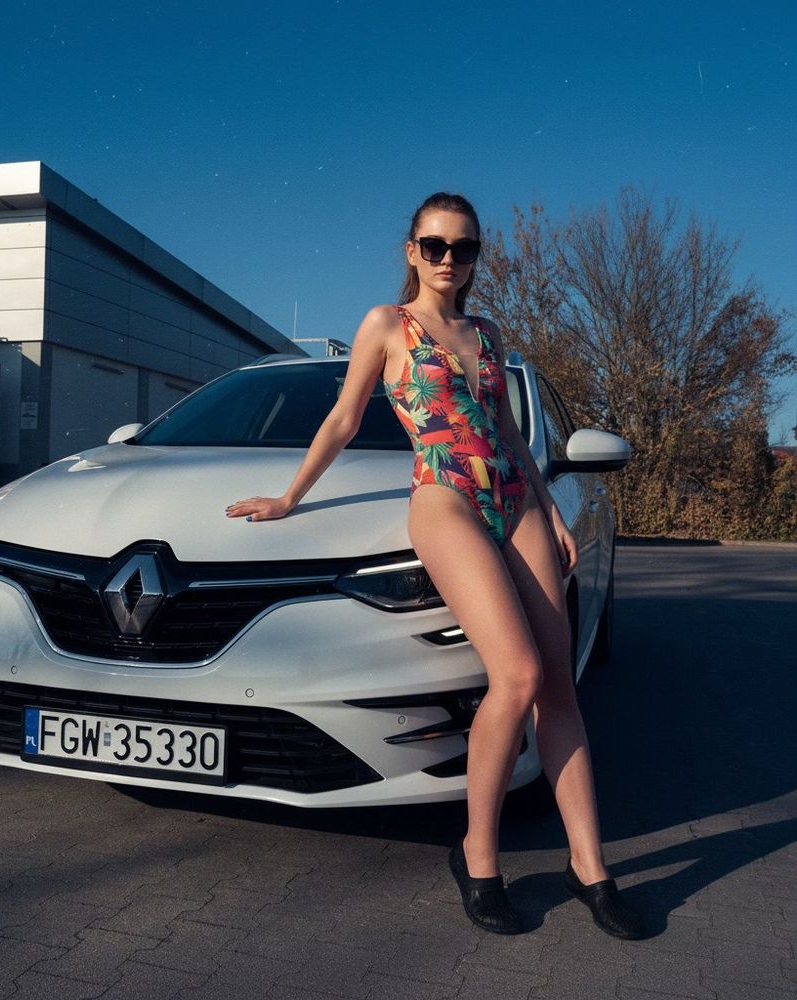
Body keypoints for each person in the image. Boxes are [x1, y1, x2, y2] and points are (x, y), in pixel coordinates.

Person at [225, 192, 645, 940]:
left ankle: (590, 867)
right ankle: (478, 855)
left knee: (558, 682)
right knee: (516, 675)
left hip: (514, 499)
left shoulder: (488, 333)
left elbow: (506, 430)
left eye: (465, 247)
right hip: (445, 496)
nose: (450, 258)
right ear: (412, 251)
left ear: (478, 256)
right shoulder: (388, 325)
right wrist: (289, 497)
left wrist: (549, 510)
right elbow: (344, 418)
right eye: (435, 245)